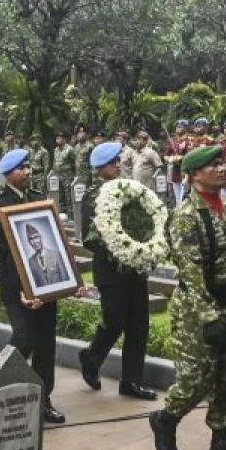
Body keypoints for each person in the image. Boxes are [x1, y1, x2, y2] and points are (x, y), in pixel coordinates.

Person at [148, 145, 226, 450]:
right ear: (195, 174)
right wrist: (210, 318)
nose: (222, 169)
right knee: (196, 380)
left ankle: (220, 449)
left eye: (222, 163)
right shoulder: (186, 216)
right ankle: (166, 418)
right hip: (198, 310)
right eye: (214, 165)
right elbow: (192, 271)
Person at [0, 149, 85, 424]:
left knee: (45, 343)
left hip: (46, 286)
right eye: (22, 168)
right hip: (17, 287)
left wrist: (70, 282)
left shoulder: (40, 198)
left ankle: (43, 399)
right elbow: (7, 252)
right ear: (8, 174)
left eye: (29, 167)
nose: (28, 172)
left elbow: (56, 242)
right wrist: (25, 289)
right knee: (25, 337)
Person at [78, 141, 157, 401]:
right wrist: (118, 248)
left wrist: (143, 246)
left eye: (117, 161)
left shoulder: (130, 189)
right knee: (114, 322)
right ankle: (91, 358)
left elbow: (144, 221)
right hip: (111, 271)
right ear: (100, 168)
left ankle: (132, 381)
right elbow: (88, 238)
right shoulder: (93, 196)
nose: (117, 165)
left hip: (135, 268)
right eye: (111, 163)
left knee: (139, 325)